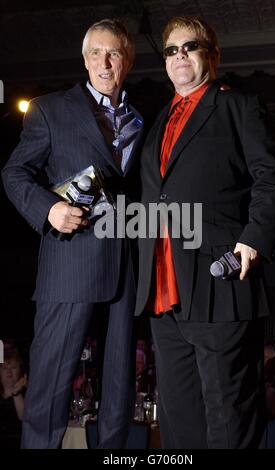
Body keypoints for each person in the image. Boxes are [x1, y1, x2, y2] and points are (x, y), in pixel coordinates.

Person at [135, 15, 275, 448]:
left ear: (213, 55)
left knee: (229, 414)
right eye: (171, 50)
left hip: (221, 281)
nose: (180, 55)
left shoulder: (238, 105)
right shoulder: (157, 121)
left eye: (191, 47)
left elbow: (273, 178)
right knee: (179, 419)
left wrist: (254, 239)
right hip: (163, 292)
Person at [2, 19, 143, 449]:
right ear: (84, 59)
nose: (104, 61)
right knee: (49, 386)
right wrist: (50, 209)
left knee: (119, 389)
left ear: (127, 60)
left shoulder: (141, 118)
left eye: (114, 53)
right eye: (96, 52)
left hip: (124, 266)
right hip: (69, 262)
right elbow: (14, 173)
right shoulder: (50, 109)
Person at [0, 347, 27, 448]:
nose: (9, 371)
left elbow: (24, 417)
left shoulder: (26, 394)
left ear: (20, 370)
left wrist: (16, 393)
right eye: (4, 368)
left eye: (14, 367)